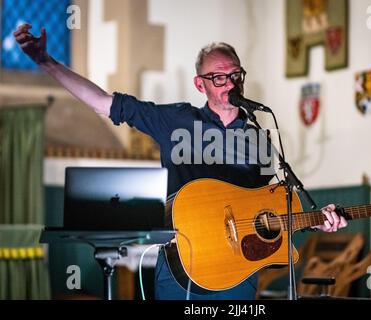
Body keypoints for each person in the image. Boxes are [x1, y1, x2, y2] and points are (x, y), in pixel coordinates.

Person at [14, 23, 348, 300]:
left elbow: (263, 210)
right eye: (219, 77)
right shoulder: (175, 120)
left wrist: (313, 219)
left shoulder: (258, 136)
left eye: (235, 75)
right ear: (199, 84)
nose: (230, 83)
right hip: (181, 268)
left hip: (238, 274)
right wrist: (46, 62)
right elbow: (103, 103)